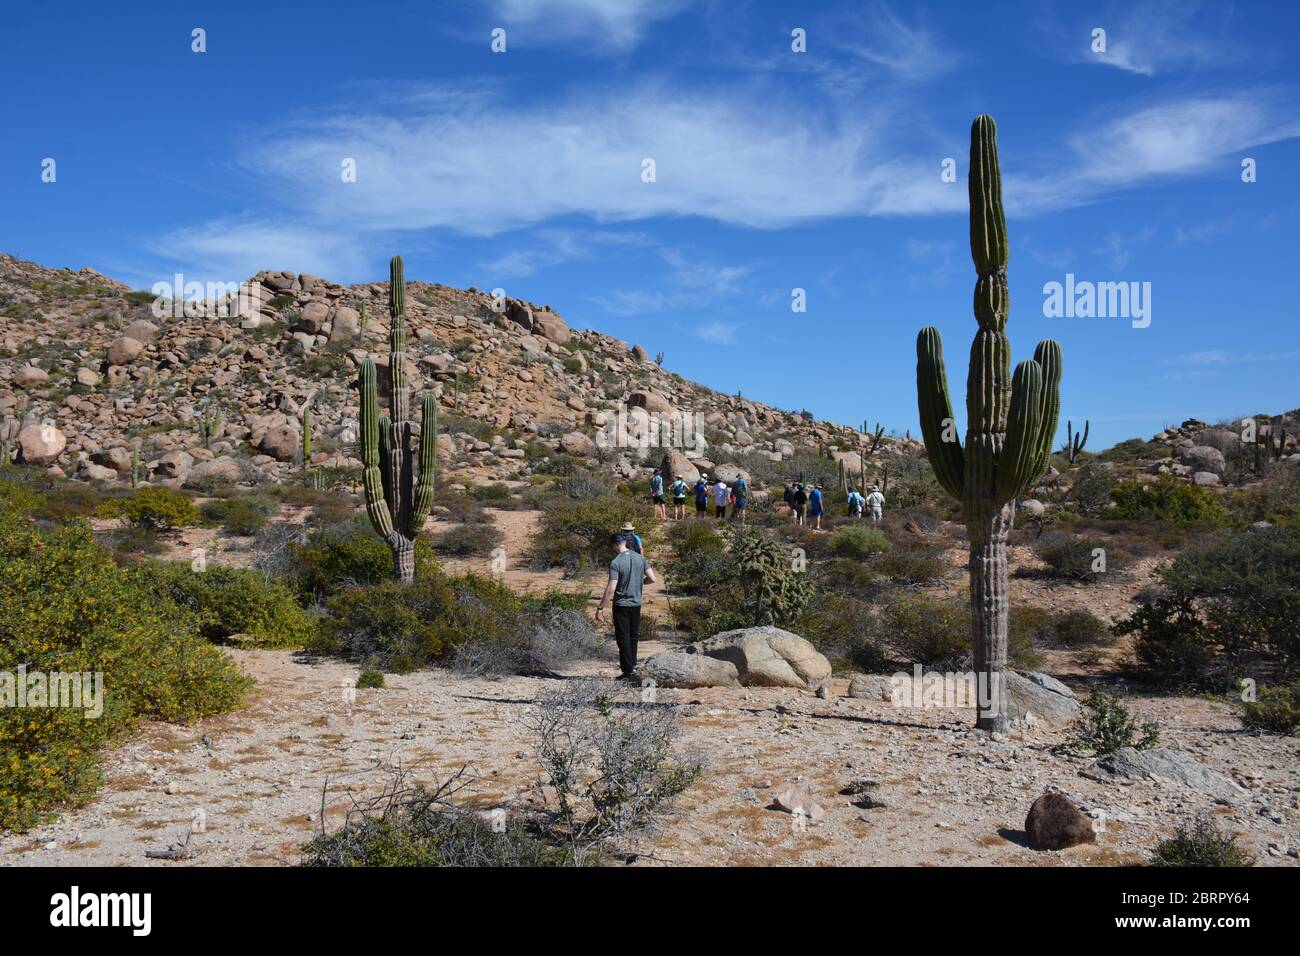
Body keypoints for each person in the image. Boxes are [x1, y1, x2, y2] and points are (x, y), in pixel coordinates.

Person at [595, 534, 657, 680]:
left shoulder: (616, 562)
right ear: (624, 542)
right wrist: (640, 583)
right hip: (636, 603)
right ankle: (632, 666)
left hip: (621, 604)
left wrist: (600, 607)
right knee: (634, 635)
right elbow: (652, 578)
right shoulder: (640, 557)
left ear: (615, 544)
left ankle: (628, 670)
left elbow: (611, 588)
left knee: (623, 637)